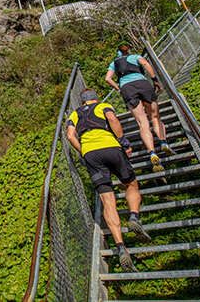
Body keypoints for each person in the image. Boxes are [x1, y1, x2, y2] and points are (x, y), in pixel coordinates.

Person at [66, 88, 151, 272]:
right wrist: (122, 140)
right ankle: (134, 216)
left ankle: (120, 246)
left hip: (90, 154)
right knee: (130, 183)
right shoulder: (103, 106)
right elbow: (113, 120)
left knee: (107, 200)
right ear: (95, 99)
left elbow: (70, 136)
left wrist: (83, 151)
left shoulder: (74, 114)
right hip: (111, 148)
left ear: (82, 102)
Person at [104, 43, 174, 174]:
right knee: (155, 117)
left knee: (142, 123)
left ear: (118, 53)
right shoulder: (135, 57)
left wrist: (119, 88)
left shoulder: (114, 63)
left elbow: (107, 78)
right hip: (142, 84)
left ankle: (152, 152)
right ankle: (163, 142)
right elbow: (146, 65)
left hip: (127, 88)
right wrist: (155, 80)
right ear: (128, 50)